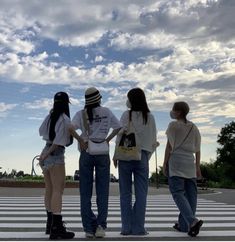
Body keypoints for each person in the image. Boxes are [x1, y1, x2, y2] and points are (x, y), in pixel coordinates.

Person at [71, 87, 122, 238]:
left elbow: (70, 128)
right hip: (102, 152)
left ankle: (88, 228)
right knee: (103, 191)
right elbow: (119, 127)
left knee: (85, 193)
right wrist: (107, 139)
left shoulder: (80, 114)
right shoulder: (106, 111)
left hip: (87, 152)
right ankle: (100, 226)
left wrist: (81, 140)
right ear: (99, 98)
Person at [38, 91, 84, 240]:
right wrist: (46, 155)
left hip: (45, 149)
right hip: (55, 154)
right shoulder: (64, 119)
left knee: (49, 189)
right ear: (66, 104)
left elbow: (41, 132)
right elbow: (58, 142)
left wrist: (44, 155)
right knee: (58, 189)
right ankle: (57, 228)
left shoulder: (49, 116)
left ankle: (50, 224)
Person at [113, 87, 157, 236]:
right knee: (141, 194)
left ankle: (126, 228)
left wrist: (115, 155)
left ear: (131, 100)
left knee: (125, 193)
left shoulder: (126, 115)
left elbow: (119, 135)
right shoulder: (149, 117)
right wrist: (146, 157)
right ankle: (139, 228)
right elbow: (153, 140)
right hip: (142, 156)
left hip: (126, 155)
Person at [163, 101, 203, 237]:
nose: (172, 112)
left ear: (178, 112)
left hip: (176, 162)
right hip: (189, 164)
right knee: (191, 196)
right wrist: (197, 167)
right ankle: (183, 225)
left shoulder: (173, 125)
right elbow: (198, 149)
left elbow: (169, 146)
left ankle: (192, 221)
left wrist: (165, 163)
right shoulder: (194, 127)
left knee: (178, 193)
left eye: (173, 110)